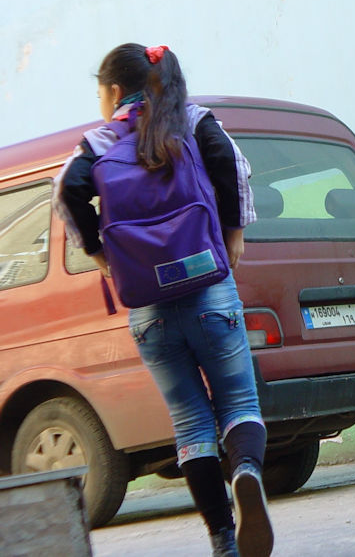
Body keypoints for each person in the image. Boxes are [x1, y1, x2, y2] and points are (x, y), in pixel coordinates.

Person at [56, 43, 273, 557]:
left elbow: (67, 190)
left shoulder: (100, 139)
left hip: (149, 310)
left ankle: (223, 540)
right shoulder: (191, 121)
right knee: (239, 403)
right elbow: (233, 166)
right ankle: (245, 472)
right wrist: (235, 231)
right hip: (208, 289)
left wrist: (98, 251)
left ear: (113, 92)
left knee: (190, 424)